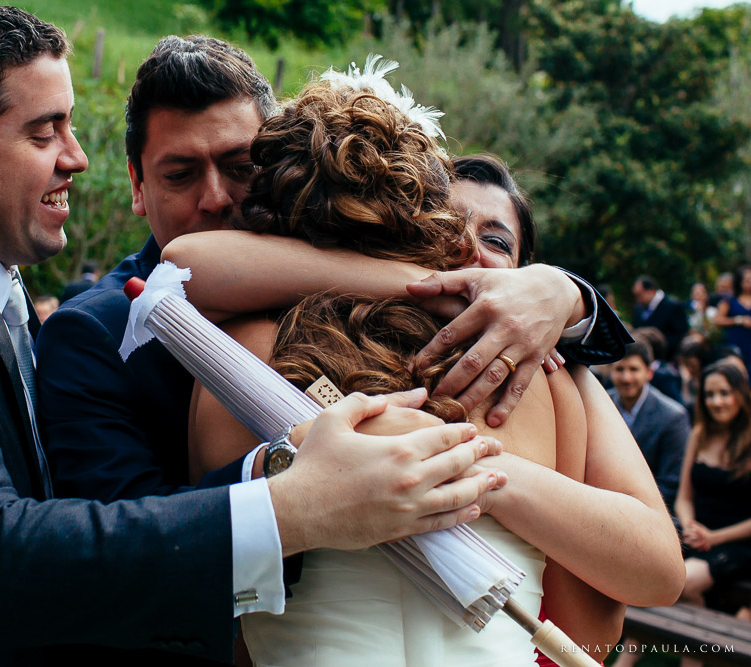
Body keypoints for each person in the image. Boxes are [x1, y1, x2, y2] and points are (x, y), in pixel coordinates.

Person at [0, 8, 506, 666]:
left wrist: (561, 295)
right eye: (42, 132)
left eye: (72, 126)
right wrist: (291, 503)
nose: (74, 157)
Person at [178, 74, 681, 665]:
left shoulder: (232, 367)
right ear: (424, 224)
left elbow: (231, 615)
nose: (470, 254)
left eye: (497, 241)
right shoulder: (544, 382)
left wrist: (464, 468)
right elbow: (586, 618)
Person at [36, 37, 627, 507]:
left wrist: (564, 293)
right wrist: (291, 481)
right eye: (180, 174)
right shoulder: (93, 335)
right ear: (138, 188)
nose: (215, 198)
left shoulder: (400, 315)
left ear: (277, 163)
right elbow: (122, 537)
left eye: (238, 166)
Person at [621, 361, 751, 667]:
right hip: (697, 533)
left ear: (740, 395)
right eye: (709, 395)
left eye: (724, 393)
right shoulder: (700, 434)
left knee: (677, 581)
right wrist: (689, 522)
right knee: (649, 567)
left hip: (736, 544)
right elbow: (684, 497)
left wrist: (714, 536)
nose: (716, 401)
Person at [608, 339, 689, 510]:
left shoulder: (673, 416)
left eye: (633, 369)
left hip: (650, 509)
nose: (626, 377)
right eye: (620, 369)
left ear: (649, 372)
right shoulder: (600, 403)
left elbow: (671, 481)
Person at [632, 274, 688, 360]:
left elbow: (681, 335)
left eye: (639, 295)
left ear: (651, 291)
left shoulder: (672, 306)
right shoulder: (639, 309)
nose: (638, 300)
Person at [715, 266, 751, 369]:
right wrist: (738, 320)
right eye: (747, 280)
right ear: (740, 282)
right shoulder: (730, 300)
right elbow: (718, 319)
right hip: (736, 341)